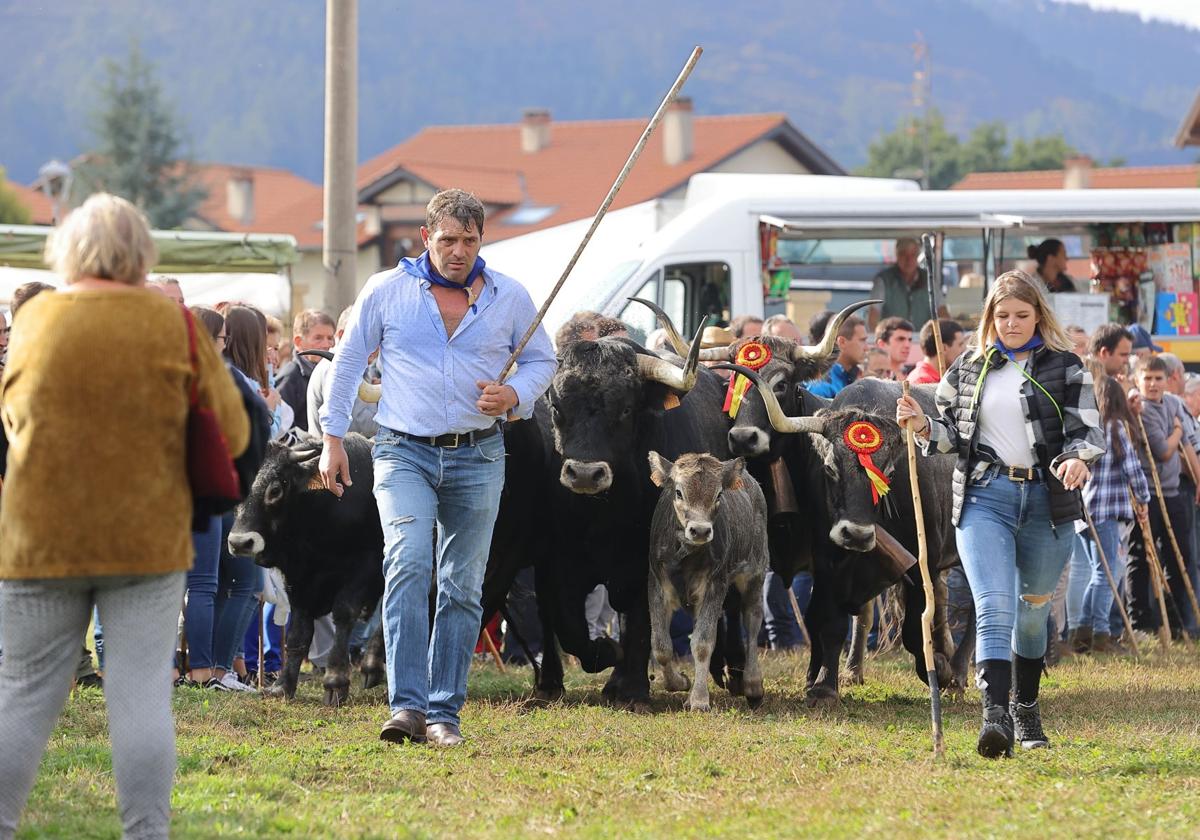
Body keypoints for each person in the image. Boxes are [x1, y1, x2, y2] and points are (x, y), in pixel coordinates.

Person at [0, 193, 249, 837]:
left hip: (38, 534)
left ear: (69, 250)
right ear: (142, 251)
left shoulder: (34, 319)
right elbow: (234, 430)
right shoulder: (176, 326)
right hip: (147, 535)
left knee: (23, 694)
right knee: (139, 697)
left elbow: (13, 415)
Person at [319, 189, 556, 747]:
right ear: (426, 238)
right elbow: (349, 360)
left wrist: (515, 395)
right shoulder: (386, 290)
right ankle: (407, 707)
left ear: (482, 241)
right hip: (403, 450)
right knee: (406, 563)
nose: (458, 251)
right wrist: (331, 440)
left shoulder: (510, 296)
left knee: (462, 583)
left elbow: (544, 358)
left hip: (479, 453)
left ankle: (444, 712)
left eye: (469, 240)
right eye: (447, 239)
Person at [896, 269, 1103, 758]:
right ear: (990, 317)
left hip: (1047, 503)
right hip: (984, 496)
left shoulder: (1067, 366)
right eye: (1002, 315)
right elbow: (948, 434)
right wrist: (922, 422)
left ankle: (1026, 710)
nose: (1011, 324)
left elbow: (1088, 432)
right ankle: (995, 718)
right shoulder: (968, 367)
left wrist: (1076, 458)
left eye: (1021, 315)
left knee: (1031, 617)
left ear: (1038, 316)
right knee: (993, 603)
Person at [1075, 374, 1149, 654]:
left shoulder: (1087, 428)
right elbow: (1132, 468)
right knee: (1108, 573)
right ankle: (1101, 634)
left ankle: (1082, 630)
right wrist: (1143, 497)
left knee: (1099, 572)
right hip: (1104, 512)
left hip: (1083, 512)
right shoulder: (1116, 427)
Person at [1127, 355, 1197, 637]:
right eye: (1148, 379)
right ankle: (1140, 621)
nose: (1153, 384)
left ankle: (1178, 622)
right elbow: (1164, 450)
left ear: (1168, 381)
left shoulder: (1173, 403)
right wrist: (1177, 431)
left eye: (1158, 379)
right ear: (1138, 380)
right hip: (1147, 493)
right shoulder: (1141, 409)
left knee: (1178, 555)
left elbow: (1188, 444)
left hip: (1172, 491)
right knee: (1141, 556)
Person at [276, 309, 336, 432]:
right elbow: (280, 426)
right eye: (318, 338)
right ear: (299, 342)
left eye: (330, 338)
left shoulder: (331, 373)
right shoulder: (290, 377)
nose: (326, 344)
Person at [868, 237, 947, 329]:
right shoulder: (883, 281)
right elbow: (873, 317)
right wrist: (878, 339)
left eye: (912, 255)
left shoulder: (929, 279)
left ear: (918, 256)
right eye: (903, 254)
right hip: (892, 341)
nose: (908, 260)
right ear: (897, 256)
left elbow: (942, 312)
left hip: (924, 340)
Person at [808, 315, 867, 398]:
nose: (867, 348)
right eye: (862, 340)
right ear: (842, 342)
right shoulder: (821, 386)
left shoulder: (852, 377)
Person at [907, 319, 965, 385]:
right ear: (943, 348)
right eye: (960, 345)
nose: (963, 350)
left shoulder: (943, 378)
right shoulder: (922, 381)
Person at [875, 316, 914, 381]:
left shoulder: (913, 375)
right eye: (900, 339)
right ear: (881, 344)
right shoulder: (871, 378)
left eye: (909, 340)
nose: (907, 345)